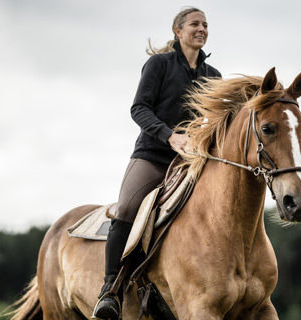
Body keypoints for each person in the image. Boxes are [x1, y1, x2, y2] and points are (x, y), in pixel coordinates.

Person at [92, 7, 221, 320]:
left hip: (191, 162)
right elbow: (139, 109)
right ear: (178, 31)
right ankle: (110, 291)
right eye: (195, 24)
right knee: (125, 209)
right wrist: (169, 137)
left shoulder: (213, 76)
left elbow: (217, 122)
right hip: (152, 156)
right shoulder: (158, 64)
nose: (201, 29)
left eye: (205, 24)